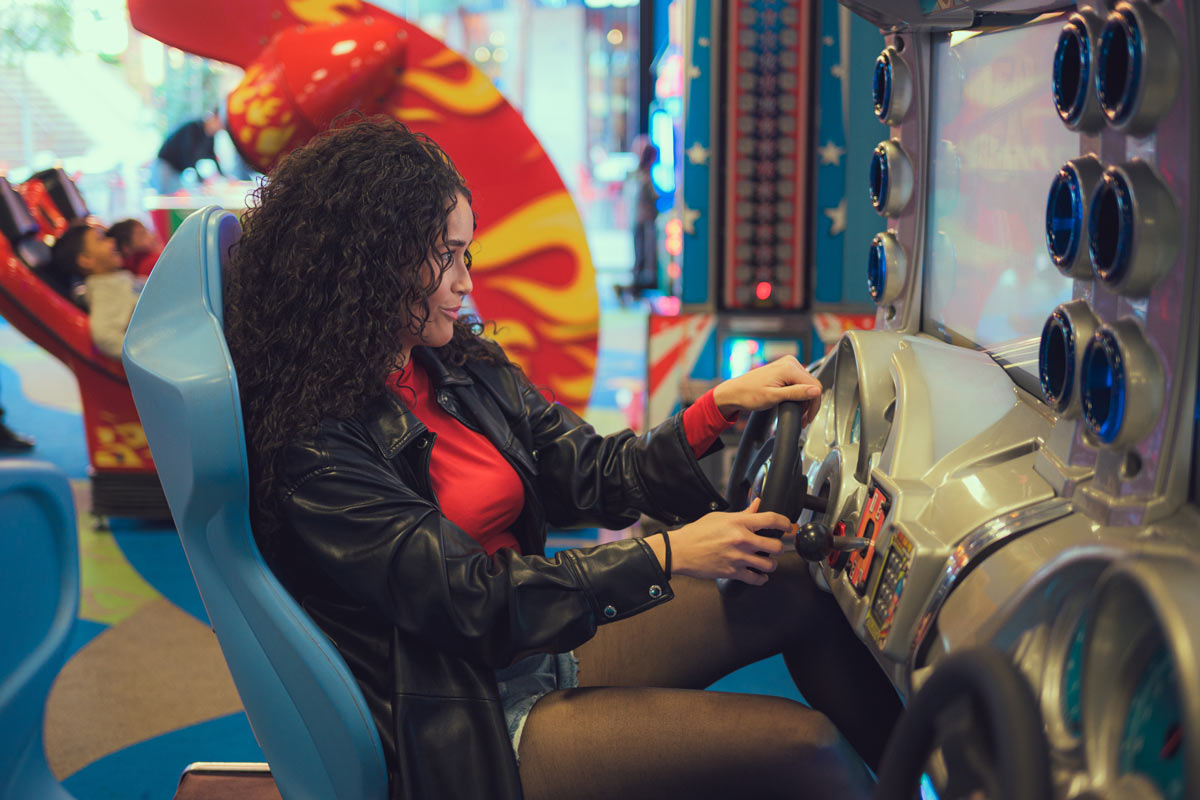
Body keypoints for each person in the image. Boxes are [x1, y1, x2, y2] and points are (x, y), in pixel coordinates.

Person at [223, 116, 900, 800]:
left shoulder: (456, 366)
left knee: (799, 583)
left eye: (467, 254)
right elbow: (471, 602)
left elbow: (596, 475)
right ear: (373, 265)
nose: (464, 282)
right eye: (446, 256)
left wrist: (718, 407)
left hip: (528, 645)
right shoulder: (319, 446)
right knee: (805, 749)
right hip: (461, 712)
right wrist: (669, 554)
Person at [51, 224, 140, 359]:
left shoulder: (113, 278)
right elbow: (105, 337)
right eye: (101, 239)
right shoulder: (103, 291)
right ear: (86, 260)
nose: (112, 241)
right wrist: (144, 352)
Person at [615, 138, 661, 306]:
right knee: (643, 257)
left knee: (640, 257)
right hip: (644, 221)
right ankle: (631, 289)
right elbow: (654, 198)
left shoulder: (637, 175)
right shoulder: (644, 177)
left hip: (637, 220)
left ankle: (632, 289)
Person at [150, 110, 224, 195]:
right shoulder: (193, 127)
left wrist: (223, 177)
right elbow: (188, 156)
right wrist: (202, 180)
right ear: (213, 118)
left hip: (177, 170)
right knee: (165, 199)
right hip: (165, 166)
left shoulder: (210, 136)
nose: (220, 128)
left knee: (174, 198)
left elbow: (212, 156)